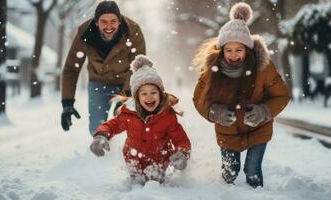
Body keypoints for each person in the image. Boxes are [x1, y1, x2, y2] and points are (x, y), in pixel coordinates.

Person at [192, 2, 290, 188]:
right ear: (222, 51)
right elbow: (199, 99)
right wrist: (214, 112)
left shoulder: (263, 68)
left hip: (259, 128)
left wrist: (264, 111)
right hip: (227, 131)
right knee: (230, 172)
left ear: (248, 49)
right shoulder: (212, 70)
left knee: (252, 171)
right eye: (228, 50)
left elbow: (282, 96)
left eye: (239, 49)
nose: (233, 55)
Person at [90, 55, 191, 185]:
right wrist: (101, 136)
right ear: (137, 97)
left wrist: (182, 153)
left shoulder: (167, 116)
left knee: (155, 184)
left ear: (160, 94)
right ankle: (136, 179)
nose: (149, 98)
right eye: (144, 93)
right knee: (137, 184)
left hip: (159, 161)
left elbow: (181, 139)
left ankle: (156, 179)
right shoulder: (129, 114)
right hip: (134, 160)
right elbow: (111, 126)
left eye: (153, 92)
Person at [60, 0, 146, 134]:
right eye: (103, 22)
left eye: (113, 21)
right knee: (97, 129)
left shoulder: (132, 31)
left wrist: (126, 94)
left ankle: (127, 150)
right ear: (96, 22)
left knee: (130, 124)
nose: (109, 26)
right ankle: (102, 149)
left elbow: (138, 65)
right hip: (98, 83)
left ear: (119, 21)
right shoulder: (84, 34)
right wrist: (67, 103)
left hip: (125, 82)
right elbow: (71, 68)